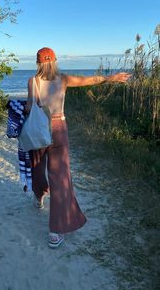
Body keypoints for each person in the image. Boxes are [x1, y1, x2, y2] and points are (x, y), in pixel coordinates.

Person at [25, 47, 131, 248]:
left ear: (38, 63)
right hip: (58, 128)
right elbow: (90, 80)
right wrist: (112, 78)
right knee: (60, 176)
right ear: (54, 61)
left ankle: (39, 197)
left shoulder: (33, 82)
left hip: (39, 129)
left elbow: (30, 107)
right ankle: (55, 231)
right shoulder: (63, 79)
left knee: (37, 165)